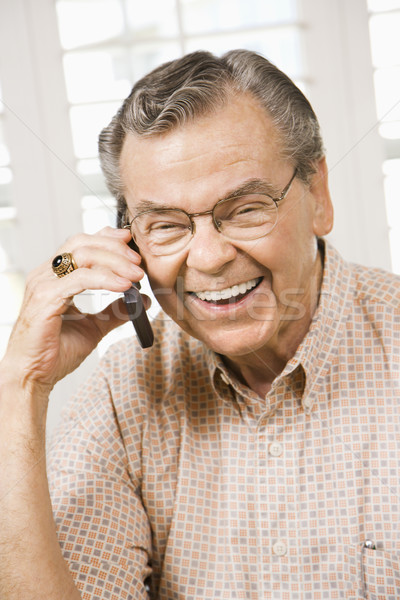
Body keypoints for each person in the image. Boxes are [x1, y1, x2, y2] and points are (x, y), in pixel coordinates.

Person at [0, 49, 399, 600]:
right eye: (165, 225)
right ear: (130, 241)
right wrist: (21, 383)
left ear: (319, 194)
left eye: (245, 208)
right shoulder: (124, 392)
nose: (209, 258)